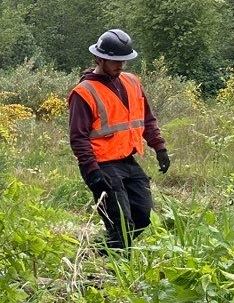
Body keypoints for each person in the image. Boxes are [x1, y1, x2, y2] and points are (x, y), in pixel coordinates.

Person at [68, 28, 170, 250]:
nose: (121, 65)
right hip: (101, 165)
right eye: (115, 61)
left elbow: (147, 118)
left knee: (143, 217)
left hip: (127, 161)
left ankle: (97, 251)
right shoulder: (83, 92)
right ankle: (116, 264)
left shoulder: (132, 82)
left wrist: (159, 147)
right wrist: (93, 171)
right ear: (99, 59)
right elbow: (78, 138)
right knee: (121, 225)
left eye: (124, 60)